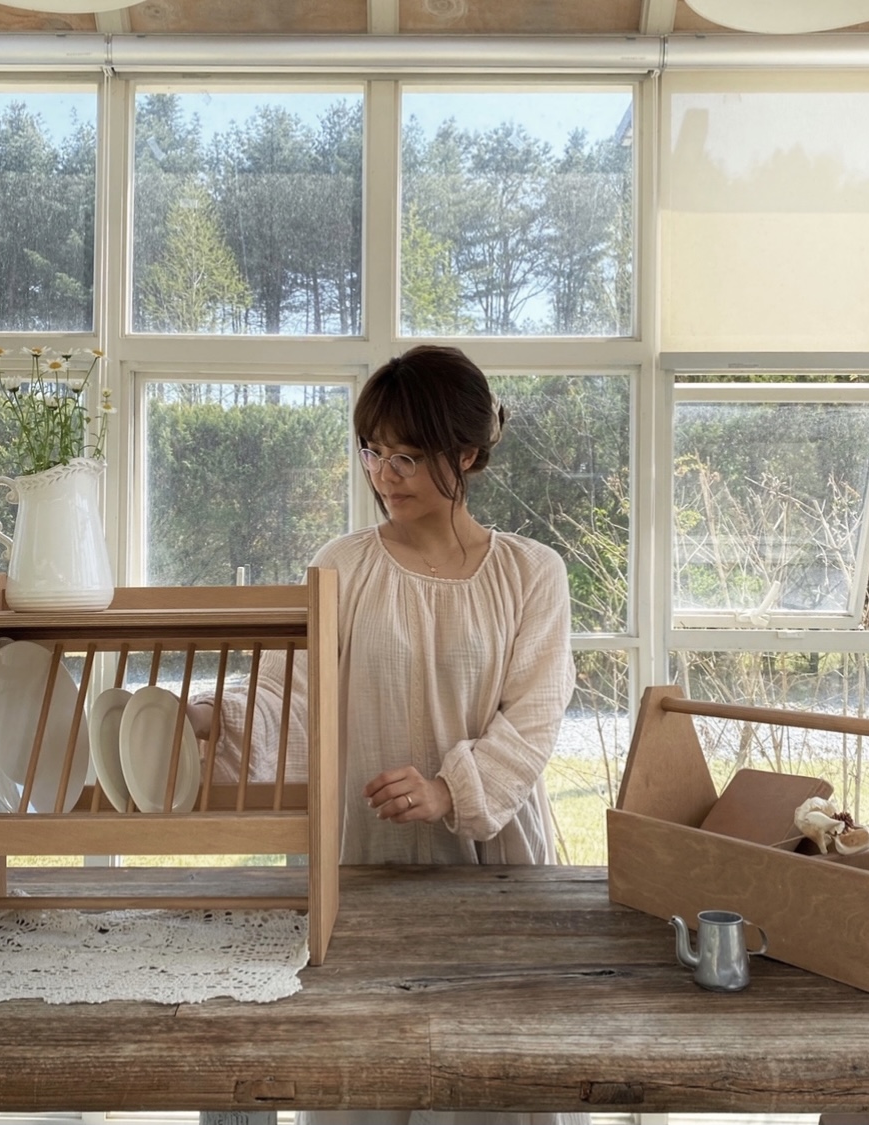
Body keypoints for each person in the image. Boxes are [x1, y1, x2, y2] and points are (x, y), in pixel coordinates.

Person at [190, 345, 585, 1124]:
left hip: (492, 870)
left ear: (464, 453)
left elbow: (536, 713)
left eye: (406, 455)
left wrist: (448, 790)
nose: (384, 474)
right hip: (361, 869)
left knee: (494, 1093)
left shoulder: (532, 572)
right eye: (373, 449)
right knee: (356, 1089)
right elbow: (288, 691)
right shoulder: (340, 565)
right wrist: (209, 716)